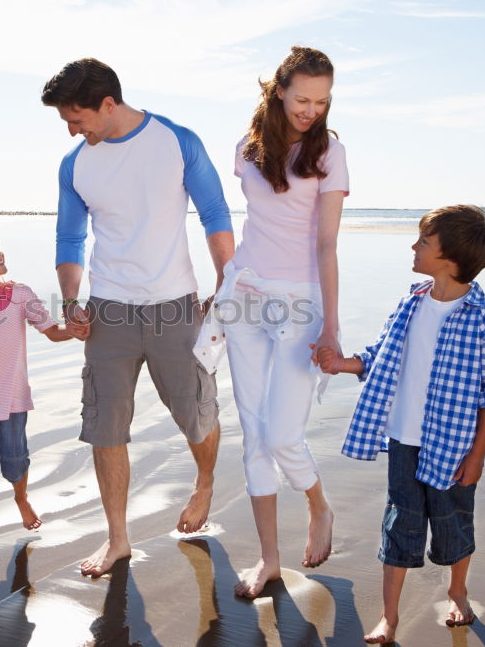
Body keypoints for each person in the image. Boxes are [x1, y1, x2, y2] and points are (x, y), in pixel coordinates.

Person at [41, 57, 235, 577]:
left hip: (176, 305)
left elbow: (214, 212)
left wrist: (227, 280)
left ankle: (205, 482)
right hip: (108, 311)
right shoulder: (75, 163)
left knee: (196, 411)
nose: (71, 129)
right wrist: (70, 301)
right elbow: (69, 237)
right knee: (105, 426)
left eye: (76, 118)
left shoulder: (177, 141)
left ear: (108, 103)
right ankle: (118, 539)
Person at [317, 205, 485, 644]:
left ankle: (457, 591)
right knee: (399, 523)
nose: (414, 246)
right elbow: (380, 353)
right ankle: (389, 618)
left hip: (453, 445)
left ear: (449, 257)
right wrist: (341, 364)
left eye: (423, 242)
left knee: (454, 521)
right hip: (403, 440)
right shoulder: (411, 302)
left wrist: (477, 457)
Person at [195, 46, 349, 598]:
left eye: (322, 100)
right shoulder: (247, 149)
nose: (311, 109)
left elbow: (328, 244)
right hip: (245, 298)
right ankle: (269, 561)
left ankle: (318, 505)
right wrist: (221, 285)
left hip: (301, 302)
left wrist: (331, 325)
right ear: (279, 89)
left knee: (284, 434)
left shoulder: (329, 150)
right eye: (303, 98)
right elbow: (250, 223)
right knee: (254, 435)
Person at [0, 229, 86, 563]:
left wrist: (74, 332)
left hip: (13, 398)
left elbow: (52, 331)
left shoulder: (20, 294)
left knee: (15, 460)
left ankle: (21, 498)